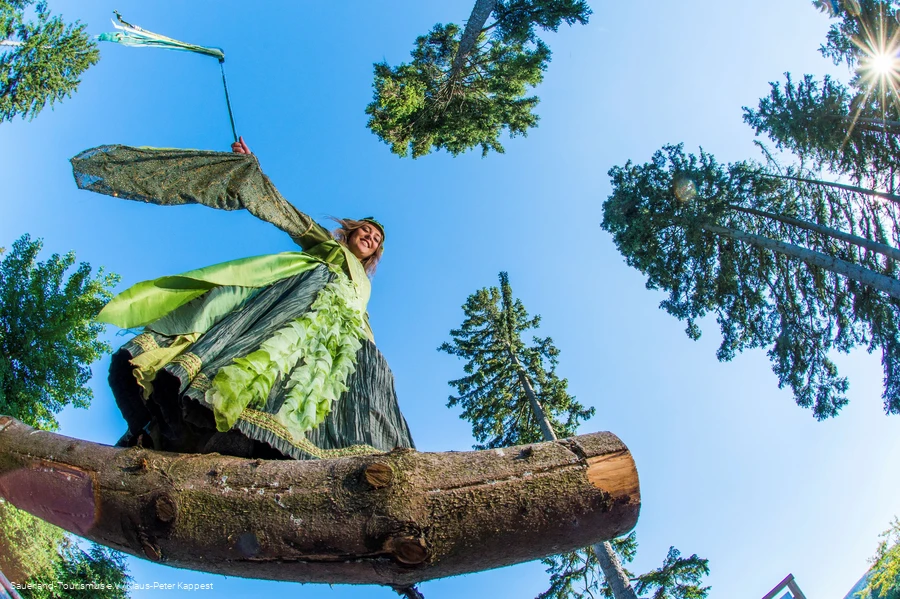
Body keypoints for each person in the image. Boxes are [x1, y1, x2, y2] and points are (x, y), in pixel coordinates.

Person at [71, 138, 414, 460]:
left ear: (375, 254)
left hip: (333, 342)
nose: (370, 237)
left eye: (376, 239)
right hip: (291, 308)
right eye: (366, 230)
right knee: (254, 359)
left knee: (336, 383)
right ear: (350, 232)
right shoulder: (327, 246)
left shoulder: (363, 289)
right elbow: (285, 213)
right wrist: (252, 172)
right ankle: (162, 421)